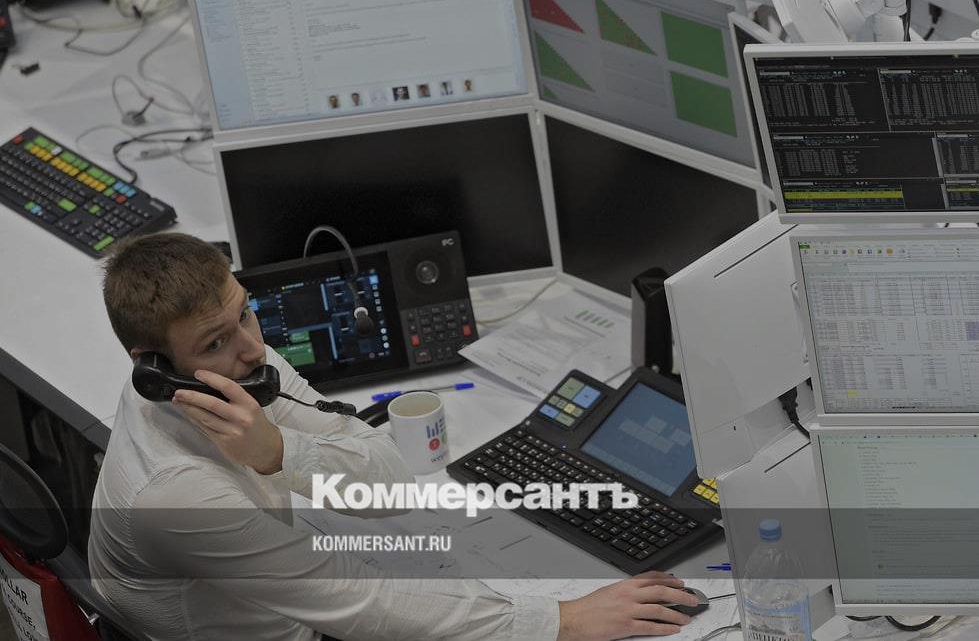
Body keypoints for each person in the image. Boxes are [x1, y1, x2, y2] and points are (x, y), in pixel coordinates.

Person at [89, 233, 699, 641]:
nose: (253, 348)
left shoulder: (239, 368)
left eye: (245, 313)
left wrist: (280, 453)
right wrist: (561, 622)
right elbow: (353, 599)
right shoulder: (176, 496)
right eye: (216, 342)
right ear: (154, 370)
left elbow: (386, 483)